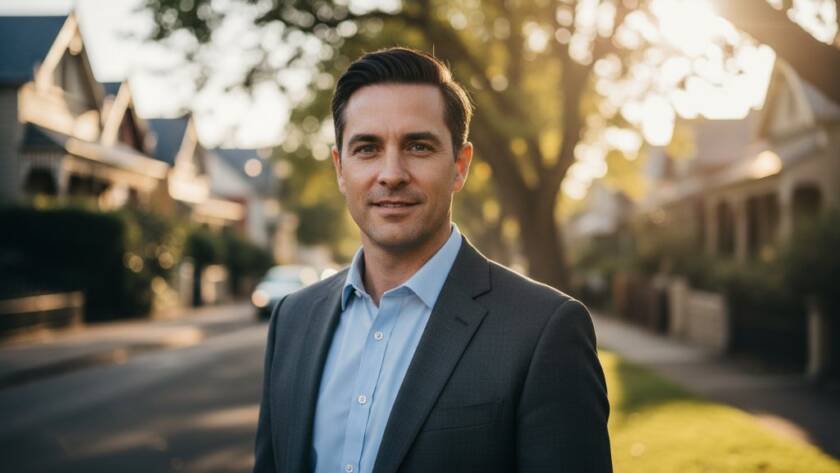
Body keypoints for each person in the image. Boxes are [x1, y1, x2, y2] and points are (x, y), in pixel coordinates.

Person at [253, 47, 612, 473]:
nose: (391, 173)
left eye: (418, 146)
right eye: (367, 148)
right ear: (340, 168)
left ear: (459, 166)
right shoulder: (293, 319)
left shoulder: (543, 331)